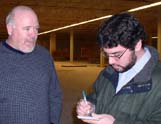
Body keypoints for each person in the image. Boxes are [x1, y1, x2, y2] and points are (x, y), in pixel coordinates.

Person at [76, 13, 161, 124]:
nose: (110, 62)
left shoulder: (158, 82)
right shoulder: (108, 73)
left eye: (117, 54)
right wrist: (91, 107)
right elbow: (96, 97)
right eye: (106, 55)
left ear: (137, 45)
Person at [0, 5, 62, 124]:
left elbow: (55, 95)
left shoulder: (45, 57)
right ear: (10, 29)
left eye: (36, 29)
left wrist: (53, 122)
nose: (33, 35)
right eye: (27, 29)